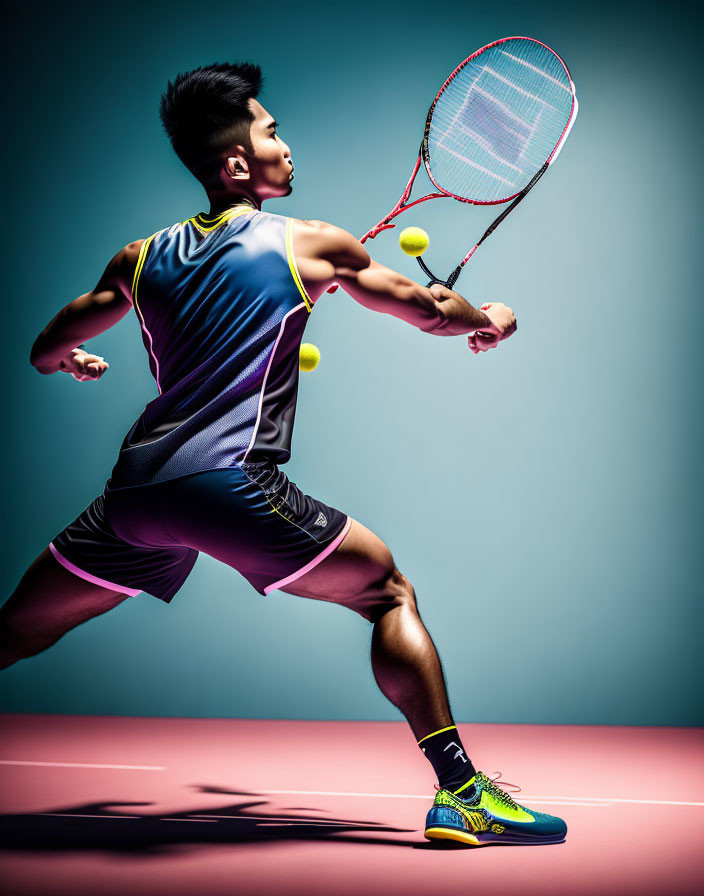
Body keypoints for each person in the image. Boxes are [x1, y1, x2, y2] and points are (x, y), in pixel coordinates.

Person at [1, 61, 565, 847]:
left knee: (16, 632)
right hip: (230, 487)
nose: (286, 146)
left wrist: (70, 362)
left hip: (134, 498)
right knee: (387, 593)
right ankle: (464, 795)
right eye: (272, 132)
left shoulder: (138, 257)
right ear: (237, 163)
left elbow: (43, 348)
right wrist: (491, 319)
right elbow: (432, 312)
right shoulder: (314, 245)